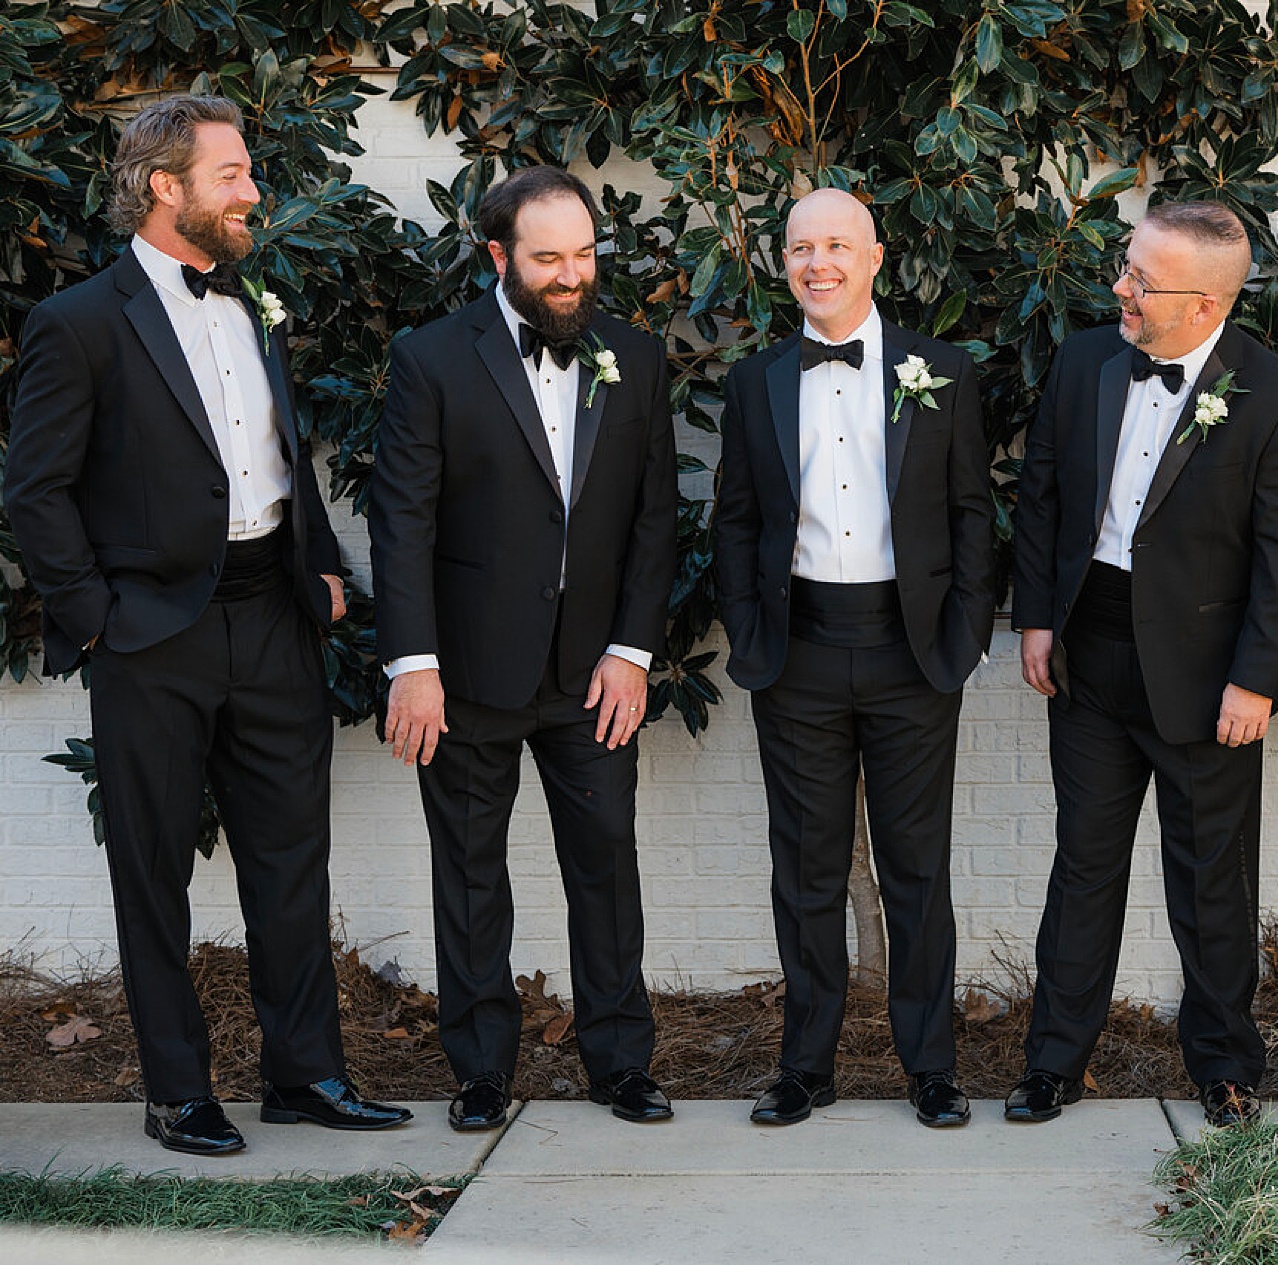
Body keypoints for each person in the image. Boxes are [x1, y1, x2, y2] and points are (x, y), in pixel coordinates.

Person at [5, 94, 410, 1154]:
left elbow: (280, 457)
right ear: (164, 186)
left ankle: (307, 1072)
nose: (253, 191)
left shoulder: (250, 304)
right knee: (153, 872)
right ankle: (178, 1089)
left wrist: (318, 562)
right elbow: (34, 491)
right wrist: (98, 620)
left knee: (293, 859)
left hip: (271, 616)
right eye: (232, 174)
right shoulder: (80, 321)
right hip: (151, 632)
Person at [369, 165, 679, 1131]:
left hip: (594, 675)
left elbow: (654, 519)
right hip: (464, 679)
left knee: (608, 867)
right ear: (498, 256)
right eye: (548, 258)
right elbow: (402, 523)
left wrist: (632, 649)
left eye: (584, 255)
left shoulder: (632, 355)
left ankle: (621, 1061)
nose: (571, 276)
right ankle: (481, 1070)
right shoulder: (431, 359)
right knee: (468, 875)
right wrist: (413, 669)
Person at [1008, 200, 1278, 1127]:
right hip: (1089, 656)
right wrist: (1034, 620)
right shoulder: (1084, 362)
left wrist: (1257, 676)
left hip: (1207, 674)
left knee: (1211, 876)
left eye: (1142, 279)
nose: (1122, 288)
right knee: (1084, 867)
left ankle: (1226, 1066)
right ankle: (1054, 1062)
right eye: (1126, 266)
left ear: (1207, 300)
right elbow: (1042, 493)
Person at [712, 188, 995, 1128]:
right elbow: (738, 516)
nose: (818, 262)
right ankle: (806, 1064)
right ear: (783, 263)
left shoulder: (941, 369)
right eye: (800, 248)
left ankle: (931, 1066)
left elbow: (970, 515)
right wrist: (750, 630)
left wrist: (962, 637)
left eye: (838, 244)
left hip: (911, 651)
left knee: (918, 866)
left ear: (877, 258)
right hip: (796, 653)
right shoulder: (754, 382)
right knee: (804, 867)